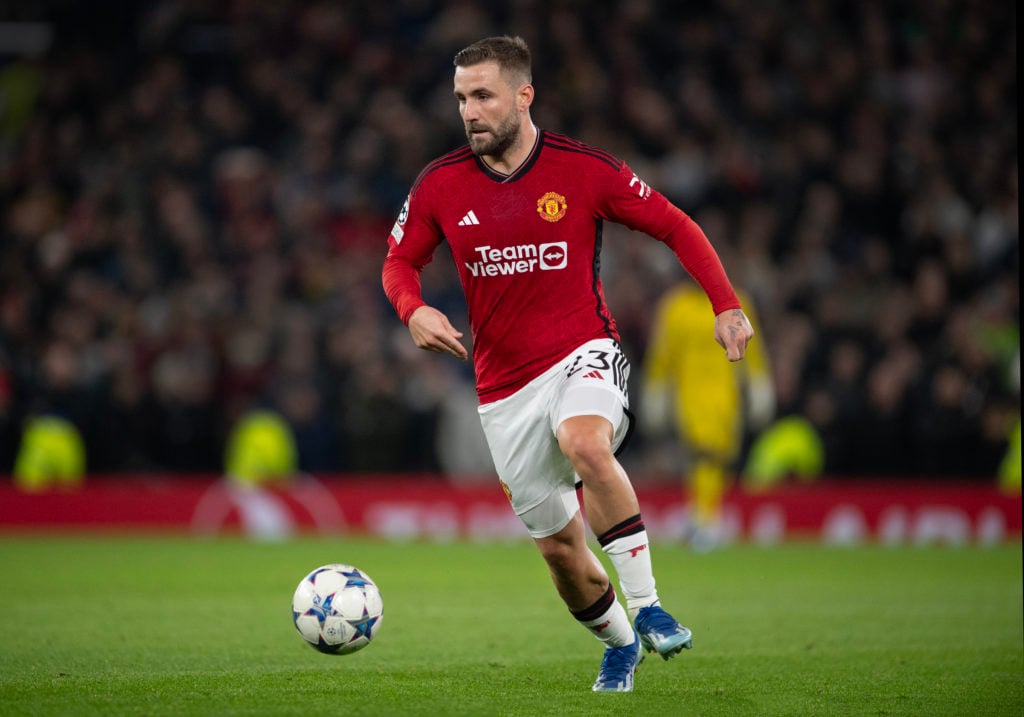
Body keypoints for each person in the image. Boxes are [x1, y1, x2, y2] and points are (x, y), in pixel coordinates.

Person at [382, 36, 754, 693]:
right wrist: (412, 308)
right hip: (503, 391)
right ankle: (620, 643)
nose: (469, 111)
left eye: (483, 95)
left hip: (584, 352)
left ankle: (649, 606)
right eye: (461, 98)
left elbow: (675, 225)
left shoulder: (583, 170)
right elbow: (398, 261)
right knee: (562, 556)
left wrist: (724, 303)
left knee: (585, 441)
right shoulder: (440, 184)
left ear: (524, 96)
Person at [642, 283, 773, 550]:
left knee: (717, 455)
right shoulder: (676, 306)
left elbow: (753, 346)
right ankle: (705, 519)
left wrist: (759, 383)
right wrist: (657, 387)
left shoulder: (736, 301)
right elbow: (663, 351)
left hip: (726, 391)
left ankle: (704, 515)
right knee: (702, 453)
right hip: (688, 391)